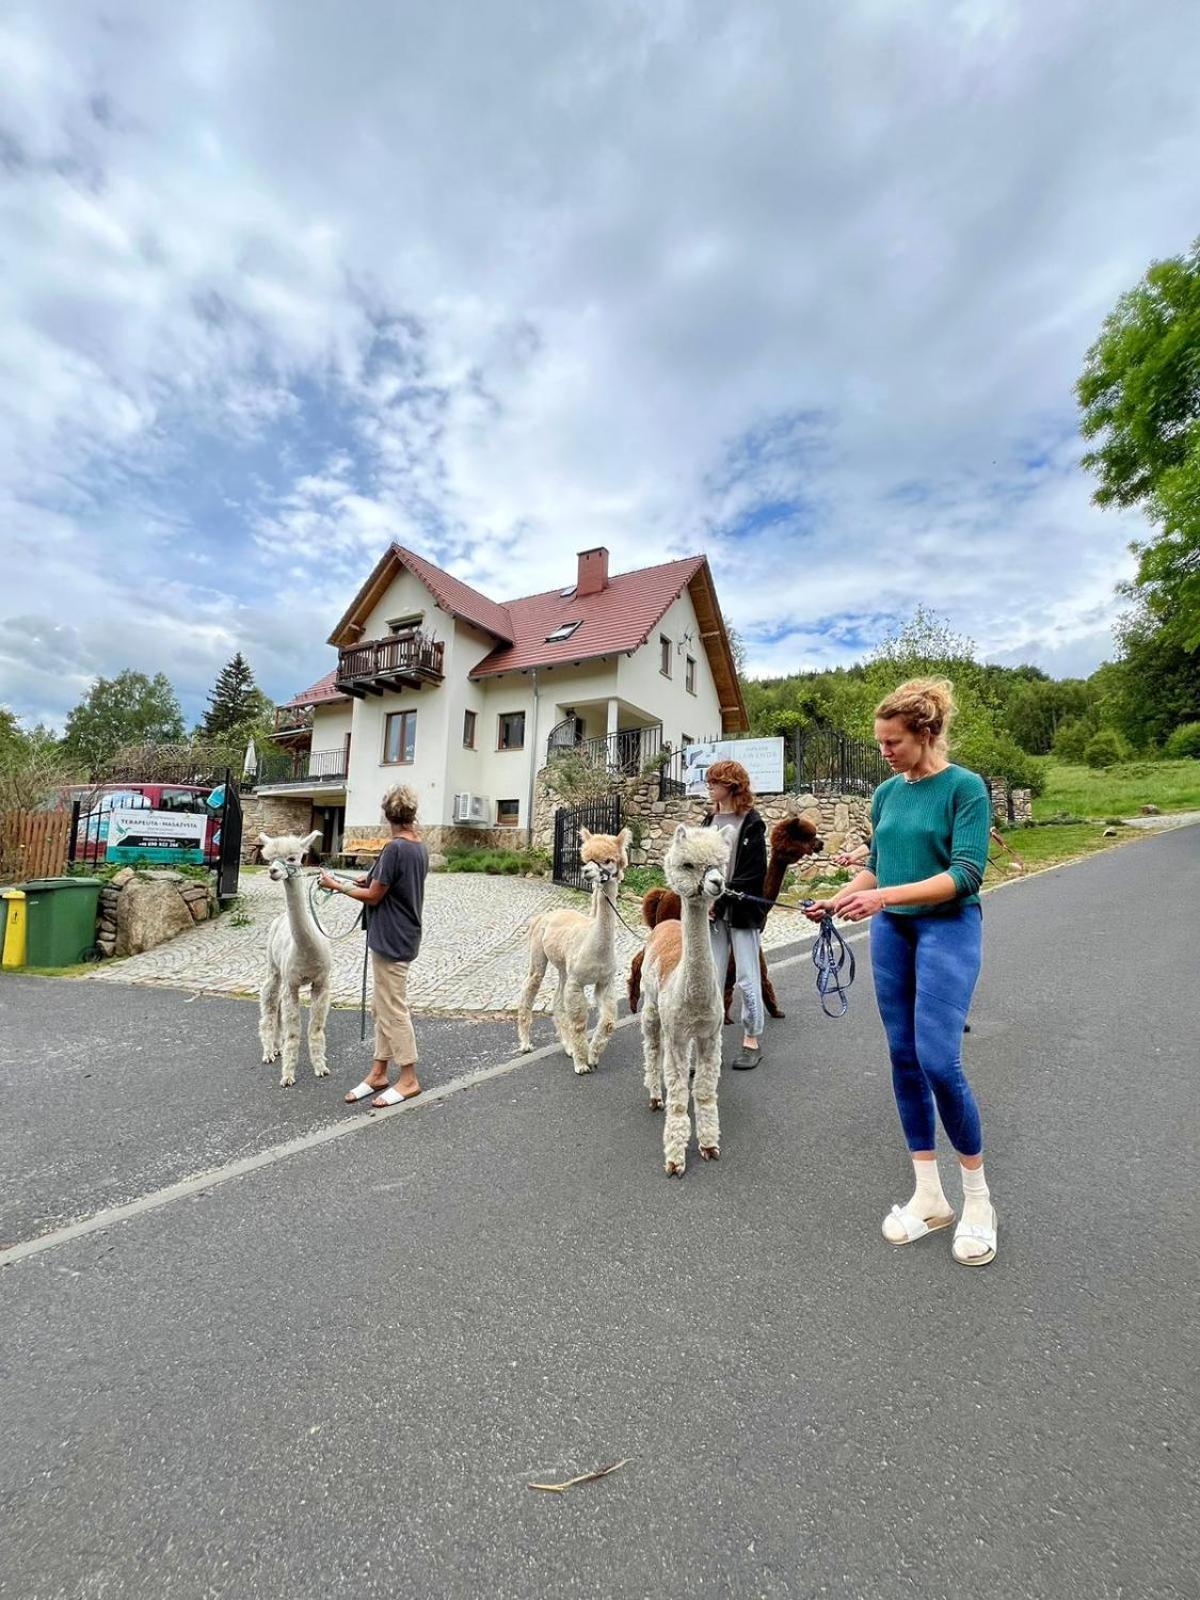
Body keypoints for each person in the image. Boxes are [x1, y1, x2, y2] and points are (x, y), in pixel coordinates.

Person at [804, 680, 997, 1266]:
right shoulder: (887, 793)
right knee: (904, 1057)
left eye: (894, 741)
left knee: (940, 1058)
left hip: (947, 926)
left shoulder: (965, 788)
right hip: (895, 930)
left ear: (927, 733)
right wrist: (841, 897)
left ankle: (978, 1200)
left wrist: (884, 896)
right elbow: (881, 867)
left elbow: (966, 874)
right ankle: (930, 1196)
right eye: (880, 742)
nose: (885, 751)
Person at [319, 784, 429, 1109]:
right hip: (403, 933)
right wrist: (362, 882)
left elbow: (375, 895)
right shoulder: (416, 846)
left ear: (387, 814)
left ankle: (408, 1078)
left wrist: (335, 885)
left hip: (393, 938)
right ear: (412, 813)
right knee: (382, 1006)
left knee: (393, 1008)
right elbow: (382, 883)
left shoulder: (396, 848)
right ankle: (379, 1071)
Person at [703, 759, 769, 1070]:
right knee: (712, 977)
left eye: (714, 782)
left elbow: (754, 874)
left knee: (745, 976)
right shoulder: (708, 821)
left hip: (741, 912)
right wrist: (704, 900)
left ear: (731, 784)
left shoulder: (752, 822)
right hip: (712, 914)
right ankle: (708, 1042)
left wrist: (721, 898)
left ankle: (751, 1038)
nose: (710, 787)